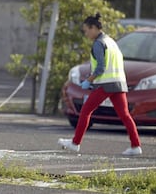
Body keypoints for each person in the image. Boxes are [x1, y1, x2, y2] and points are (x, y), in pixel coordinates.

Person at [58, 13, 142, 156]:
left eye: (86, 30)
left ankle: (75, 143)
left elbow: (101, 68)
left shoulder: (98, 43)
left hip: (105, 84)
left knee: (85, 111)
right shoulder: (111, 41)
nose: (86, 34)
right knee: (125, 115)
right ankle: (135, 146)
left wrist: (88, 81)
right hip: (119, 83)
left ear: (93, 28)